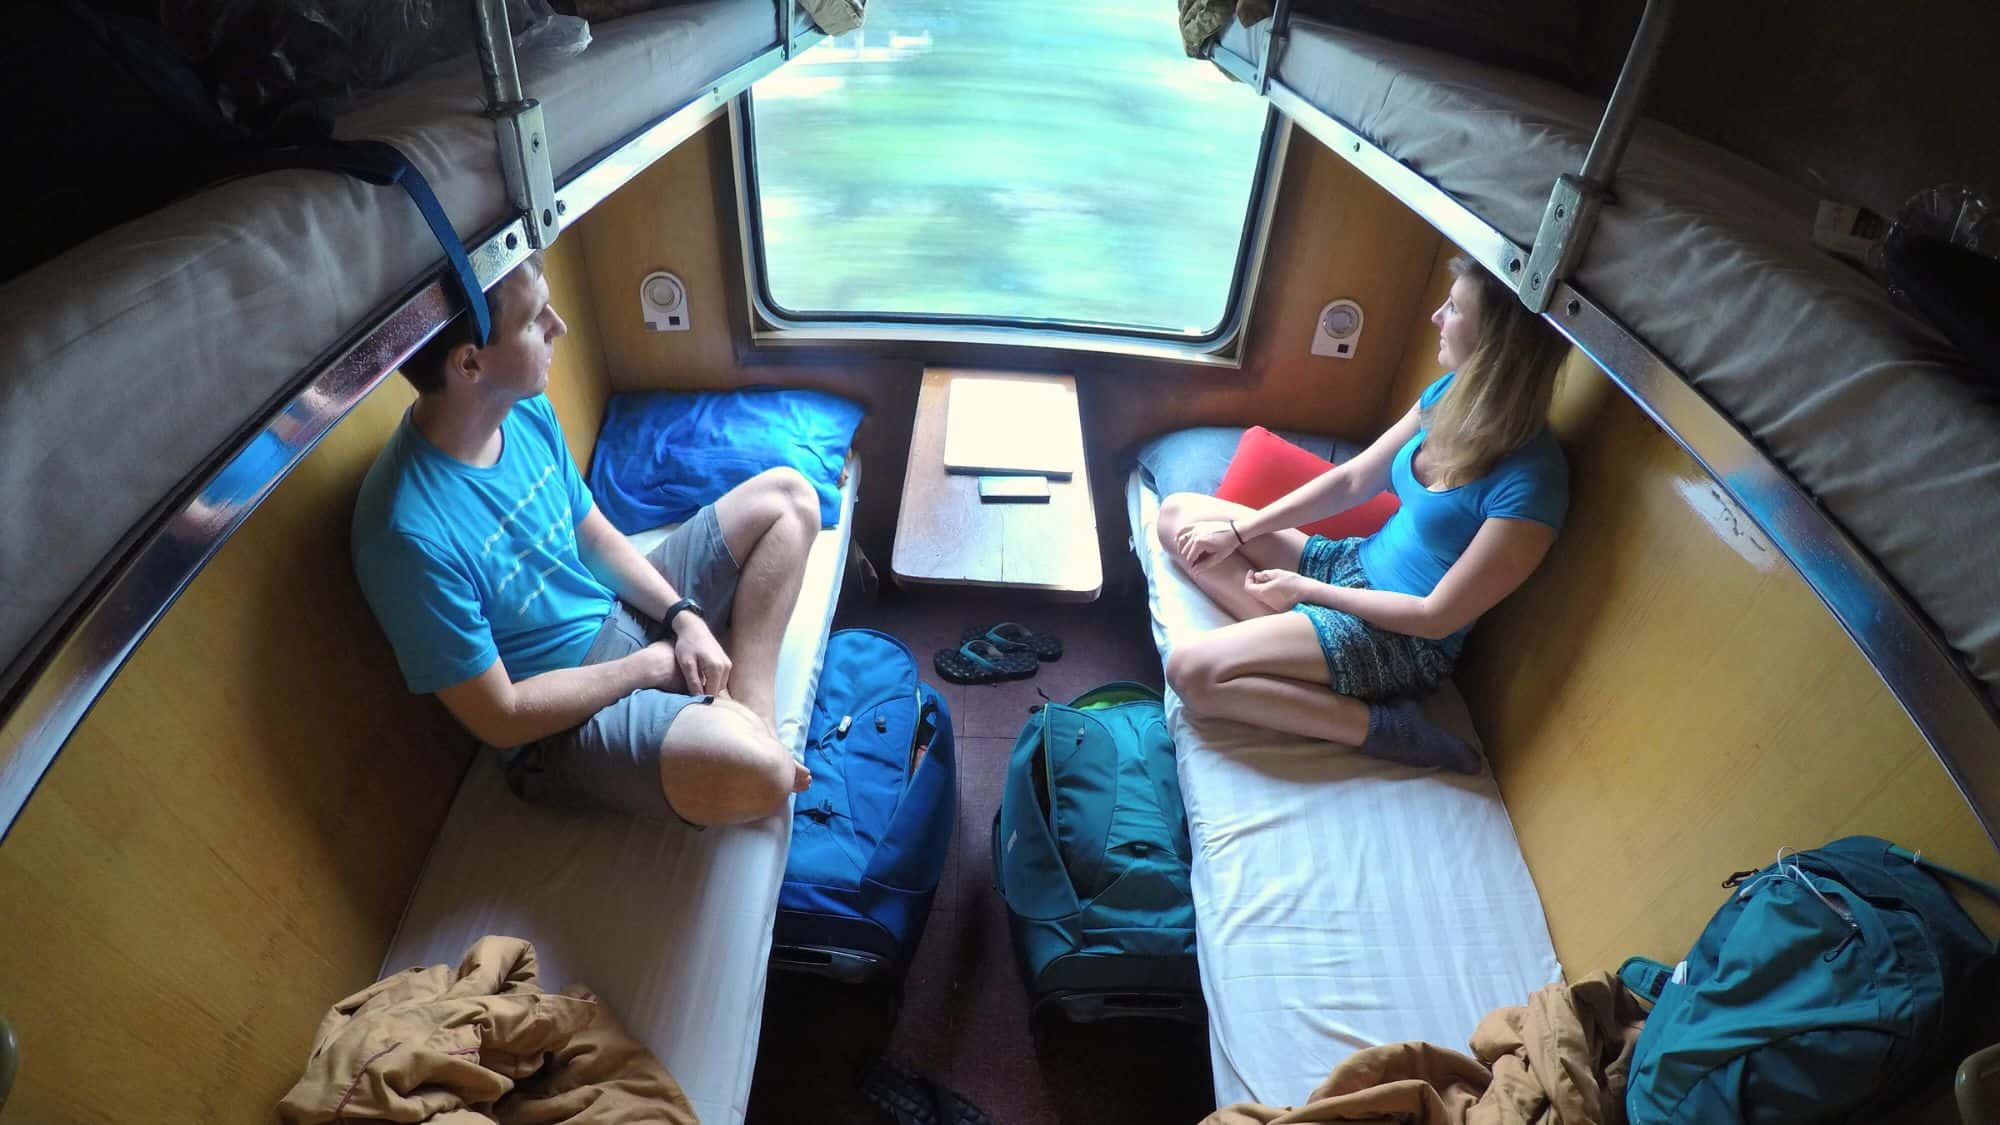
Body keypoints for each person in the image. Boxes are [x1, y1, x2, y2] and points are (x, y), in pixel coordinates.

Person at [351, 253, 819, 825]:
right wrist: (648, 668)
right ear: (471, 363)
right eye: (535, 320)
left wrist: (684, 618)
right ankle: (745, 740)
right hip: (561, 722)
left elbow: (594, 538)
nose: (559, 327)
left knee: (790, 499)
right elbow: (503, 715)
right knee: (761, 776)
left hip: (622, 618)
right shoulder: (406, 535)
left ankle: (753, 711)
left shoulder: (524, 412)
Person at [1154, 256, 1570, 772]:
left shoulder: (1533, 483)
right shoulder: (1446, 397)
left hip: (1399, 638)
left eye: (1455, 309)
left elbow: (1436, 617)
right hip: (1349, 566)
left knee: (1192, 672)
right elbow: (1351, 480)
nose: (1436, 317)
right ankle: (1303, 645)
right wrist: (1240, 529)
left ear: (1497, 348)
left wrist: (1305, 591)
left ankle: (1384, 728)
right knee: (1179, 515)